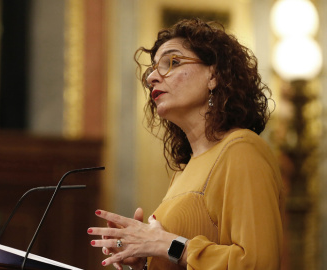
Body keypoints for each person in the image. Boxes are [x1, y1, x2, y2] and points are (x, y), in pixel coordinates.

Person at [87, 18, 284, 269]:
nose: (152, 79)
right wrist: (144, 258)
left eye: (172, 62)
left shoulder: (241, 149)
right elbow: (177, 254)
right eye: (152, 71)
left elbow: (259, 263)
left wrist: (167, 245)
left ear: (214, 75)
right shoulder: (183, 172)